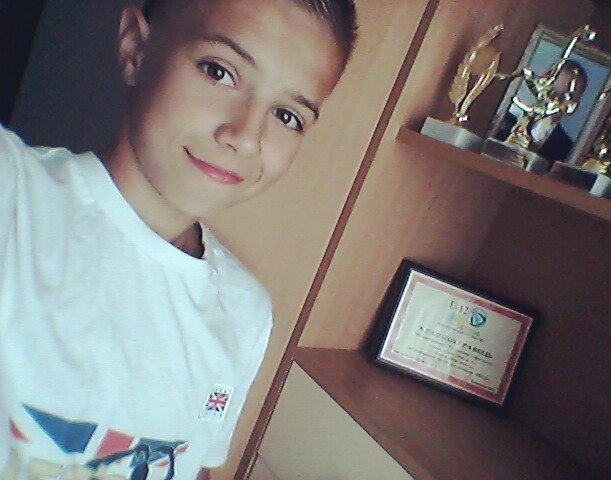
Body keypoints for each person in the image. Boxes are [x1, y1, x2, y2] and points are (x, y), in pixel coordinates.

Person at [0, 0, 357, 479]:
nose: (244, 136)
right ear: (136, 47)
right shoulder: (15, 197)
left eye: (287, 115)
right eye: (219, 72)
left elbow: (193, 463)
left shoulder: (244, 309)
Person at [494, 59, 588, 163]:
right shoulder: (501, 118)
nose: (556, 101)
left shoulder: (566, 150)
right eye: (554, 93)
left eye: (567, 97)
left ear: (576, 104)